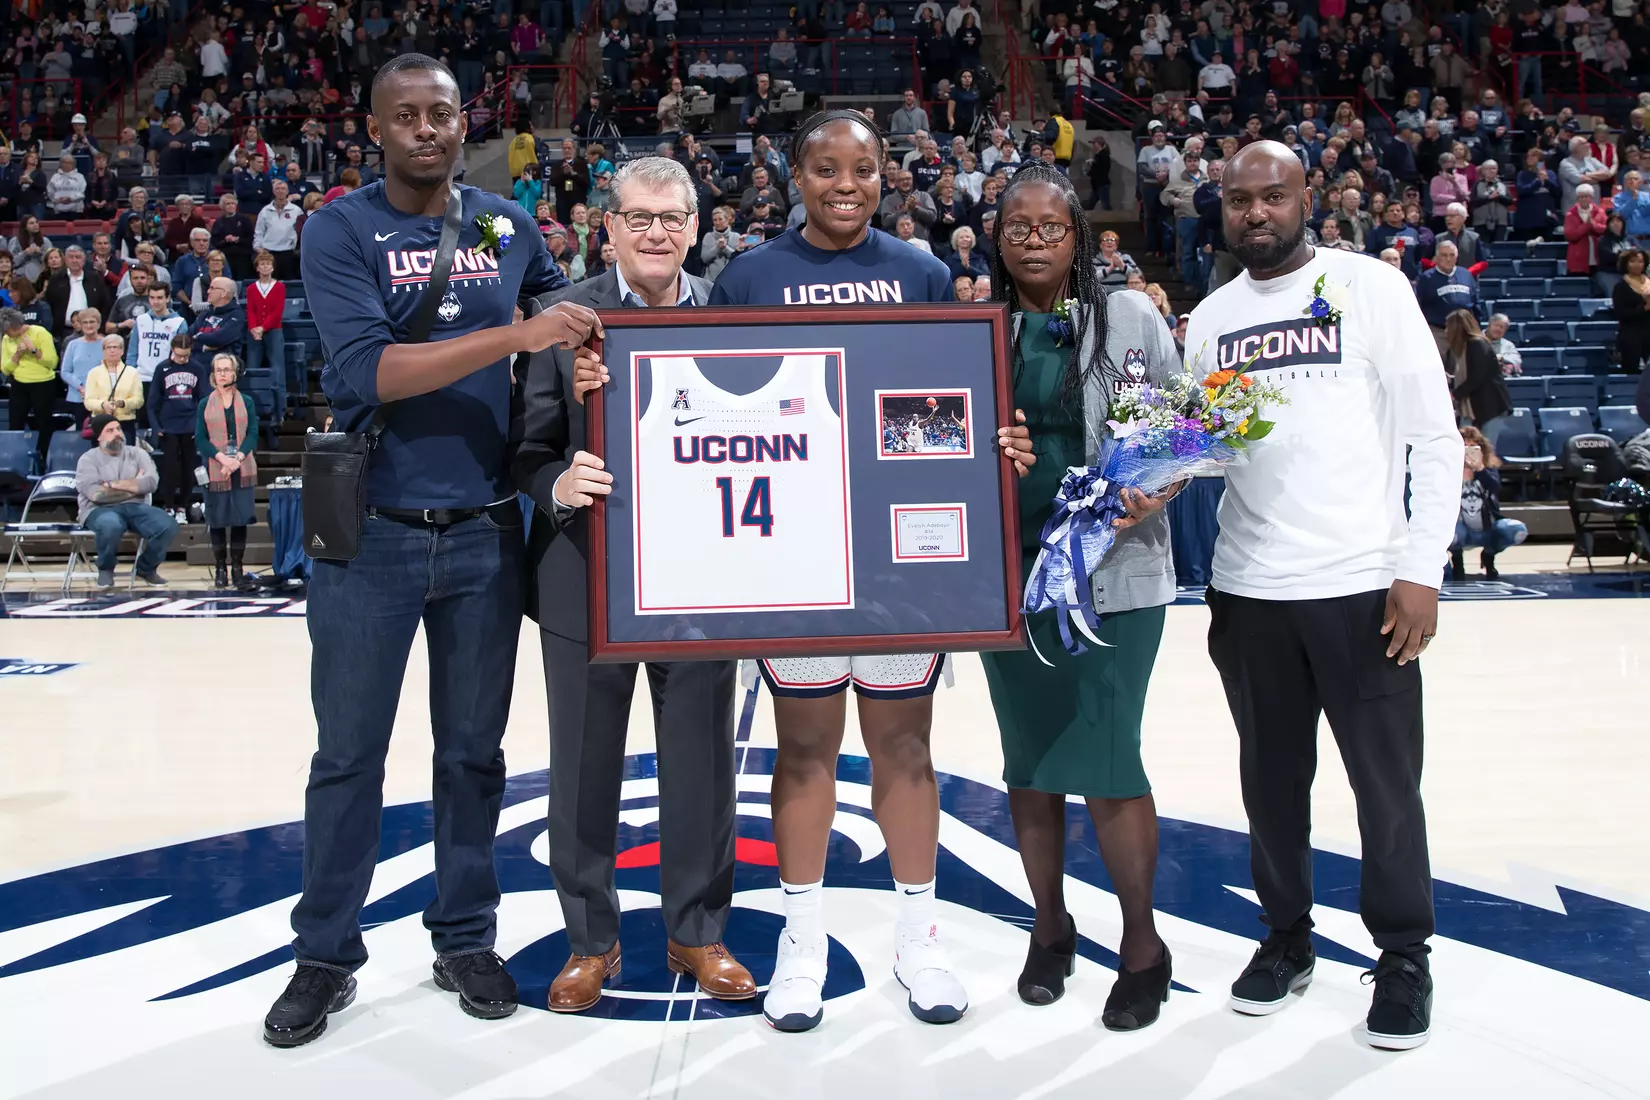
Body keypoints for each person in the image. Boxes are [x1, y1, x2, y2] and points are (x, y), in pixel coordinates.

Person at [264, 54, 590, 1049]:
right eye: (403, 116)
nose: (424, 130)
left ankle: (463, 933)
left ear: (463, 125)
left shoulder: (498, 222)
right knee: (349, 756)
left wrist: (615, 316)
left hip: (488, 531)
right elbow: (372, 372)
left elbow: (563, 307)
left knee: (472, 757)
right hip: (373, 537)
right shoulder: (341, 227)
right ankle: (325, 949)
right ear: (375, 129)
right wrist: (519, 334)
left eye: (440, 115)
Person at [705, 109, 1031, 1033]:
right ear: (793, 176)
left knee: (904, 749)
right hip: (795, 558)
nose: (844, 185)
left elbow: (943, 408)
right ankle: (801, 942)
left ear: (886, 176)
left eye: (861, 170)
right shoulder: (752, 276)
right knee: (804, 748)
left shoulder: (920, 271)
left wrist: (988, 444)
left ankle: (918, 937)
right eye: (824, 168)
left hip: (898, 559)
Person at [1184, 140, 1461, 1052]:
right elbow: (1218, 447)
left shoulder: (1371, 289)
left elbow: (1435, 435)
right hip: (1248, 588)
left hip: (1363, 585)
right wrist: (1158, 464)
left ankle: (1405, 954)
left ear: (1309, 197)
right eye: (1238, 201)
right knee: (1270, 782)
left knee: (1386, 788)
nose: (1255, 214)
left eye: (1272, 196)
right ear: (1219, 208)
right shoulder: (1212, 318)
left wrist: (1422, 567)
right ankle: (1286, 940)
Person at [512, 156, 756, 1015]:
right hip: (585, 572)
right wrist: (556, 484)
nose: (656, 232)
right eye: (638, 217)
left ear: (695, 227)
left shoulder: (732, 318)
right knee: (582, 768)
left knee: (699, 765)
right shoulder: (558, 317)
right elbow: (525, 450)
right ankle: (591, 941)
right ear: (605, 226)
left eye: (672, 218)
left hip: (700, 577)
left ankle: (696, 930)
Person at [984, 163, 1180, 1029]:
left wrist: (1157, 488)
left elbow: (1180, 428)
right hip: (1009, 580)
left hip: (1117, 576)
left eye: (1050, 227)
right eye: (1017, 227)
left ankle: (1143, 945)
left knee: (1107, 759)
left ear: (1078, 237)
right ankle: (1051, 926)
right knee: (1029, 765)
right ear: (998, 237)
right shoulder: (975, 328)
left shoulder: (1132, 315)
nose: (1034, 239)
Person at [75, 414, 178, 587]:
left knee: (168, 525)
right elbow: (96, 495)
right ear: (99, 436)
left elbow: (151, 483)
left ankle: (146, 568)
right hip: (98, 510)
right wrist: (134, 486)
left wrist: (113, 485)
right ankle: (106, 569)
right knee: (112, 525)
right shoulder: (88, 459)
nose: (117, 433)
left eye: (118, 429)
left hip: (137, 507)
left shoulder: (138, 453)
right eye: (110, 430)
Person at [195, 351, 259, 587]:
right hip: (216, 468)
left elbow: (252, 434)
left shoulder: (248, 402)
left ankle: (238, 567)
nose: (222, 374)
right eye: (218, 370)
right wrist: (224, 459)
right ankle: (221, 567)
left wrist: (238, 459)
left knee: (240, 519)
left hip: (242, 467)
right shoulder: (204, 403)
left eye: (227, 369)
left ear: (235, 373)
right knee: (218, 519)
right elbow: (200, 439)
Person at [1450, 425, 1526, 582]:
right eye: (1464, 446)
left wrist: (1480, 469)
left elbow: (1495, 487)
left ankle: (1489, 555)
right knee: (1449, 532)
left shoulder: (1488, 469)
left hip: (1487, 527)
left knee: (1517, 530)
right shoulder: (1448, 471)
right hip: (1461, 529)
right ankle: (1457, 561)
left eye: (1473, 447)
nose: (1468, 451)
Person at [147, 333, 202, 523]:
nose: (182, 359)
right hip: (168, 425)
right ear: (172, 350)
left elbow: (203, 400)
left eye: (186, 355)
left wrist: (199, 427)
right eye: (179, 355)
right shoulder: (162, 369)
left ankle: (183, 507)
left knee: (189, 468)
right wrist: (155, 426)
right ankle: (168, 505)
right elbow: (152, 400)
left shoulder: (197, 368)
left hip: (190, 425)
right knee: (169, 468)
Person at [0, 306, 59, 467]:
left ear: (16, 326)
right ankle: (14, 461)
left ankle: (44, 460)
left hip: (43, 384)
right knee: (15, 424)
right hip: (19, 384)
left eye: (8, 331)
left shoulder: (40, 333)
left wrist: (34, 350)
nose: (6, 335)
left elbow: (52, 363)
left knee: (44, 423)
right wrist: (17, 355)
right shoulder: (6, 339)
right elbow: (5, 369)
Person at [1444, 309, 1512, 446]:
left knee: (1486, 450)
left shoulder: (1477, 344)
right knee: (1469, 450)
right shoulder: (1458, 348)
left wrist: (1454, 394)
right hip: (1473, 406)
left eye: (1448, 326)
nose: (1446, 330)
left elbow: (1477, 377)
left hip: (1491, 406)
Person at [245, 250, 289, 412]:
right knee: (253, 367)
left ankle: (280, 409)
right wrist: (254, 328)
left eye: (268, 264)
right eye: (262, 264)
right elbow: (251, 310)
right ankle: (253, 407)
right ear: (257, 267)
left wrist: (263, 328)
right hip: (254, 333)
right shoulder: (251, 288)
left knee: (278, 368)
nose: (265, 267)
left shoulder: (279, 287)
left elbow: (277, 311)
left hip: (273, 331)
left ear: (272, 267)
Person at [84, 333, 145, 443]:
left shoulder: (132, 372)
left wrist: (123, 403)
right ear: (103, 351)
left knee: (125, 456)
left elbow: (138, 400)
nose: (112, 350)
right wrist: (103, 405)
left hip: (125, 422)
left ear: (122, 351)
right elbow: (88, 401)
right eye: (108, 347)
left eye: (115, 347)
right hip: (101, 422)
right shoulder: (94, 373)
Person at [131, 284, 190, 383]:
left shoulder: (179, 322)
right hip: (141, 377)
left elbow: (180, 354)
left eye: (159, 298)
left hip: (166, 377)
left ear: (168, 298)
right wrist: (131, 371)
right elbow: (133, 350)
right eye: (152, 298)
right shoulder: (141, 320)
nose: (155, 302)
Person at [60, 308, 108, 413]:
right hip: (78, 396)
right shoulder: (73, 344)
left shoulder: (107, 344)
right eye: (85, 322)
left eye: (92, 322)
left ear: (99, 324)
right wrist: (81, 387)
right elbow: (65, 371)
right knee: (81, 428)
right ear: (81, 325)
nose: (88, 325)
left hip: (103, 396)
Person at [1612, 248, 1650, 374]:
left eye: (1640, 261)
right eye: (1633, 261)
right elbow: (1621, 314)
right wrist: (1644, 308)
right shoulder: (1621, 287)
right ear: (1625, 264)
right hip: (1631, 337)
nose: (1637, 265)